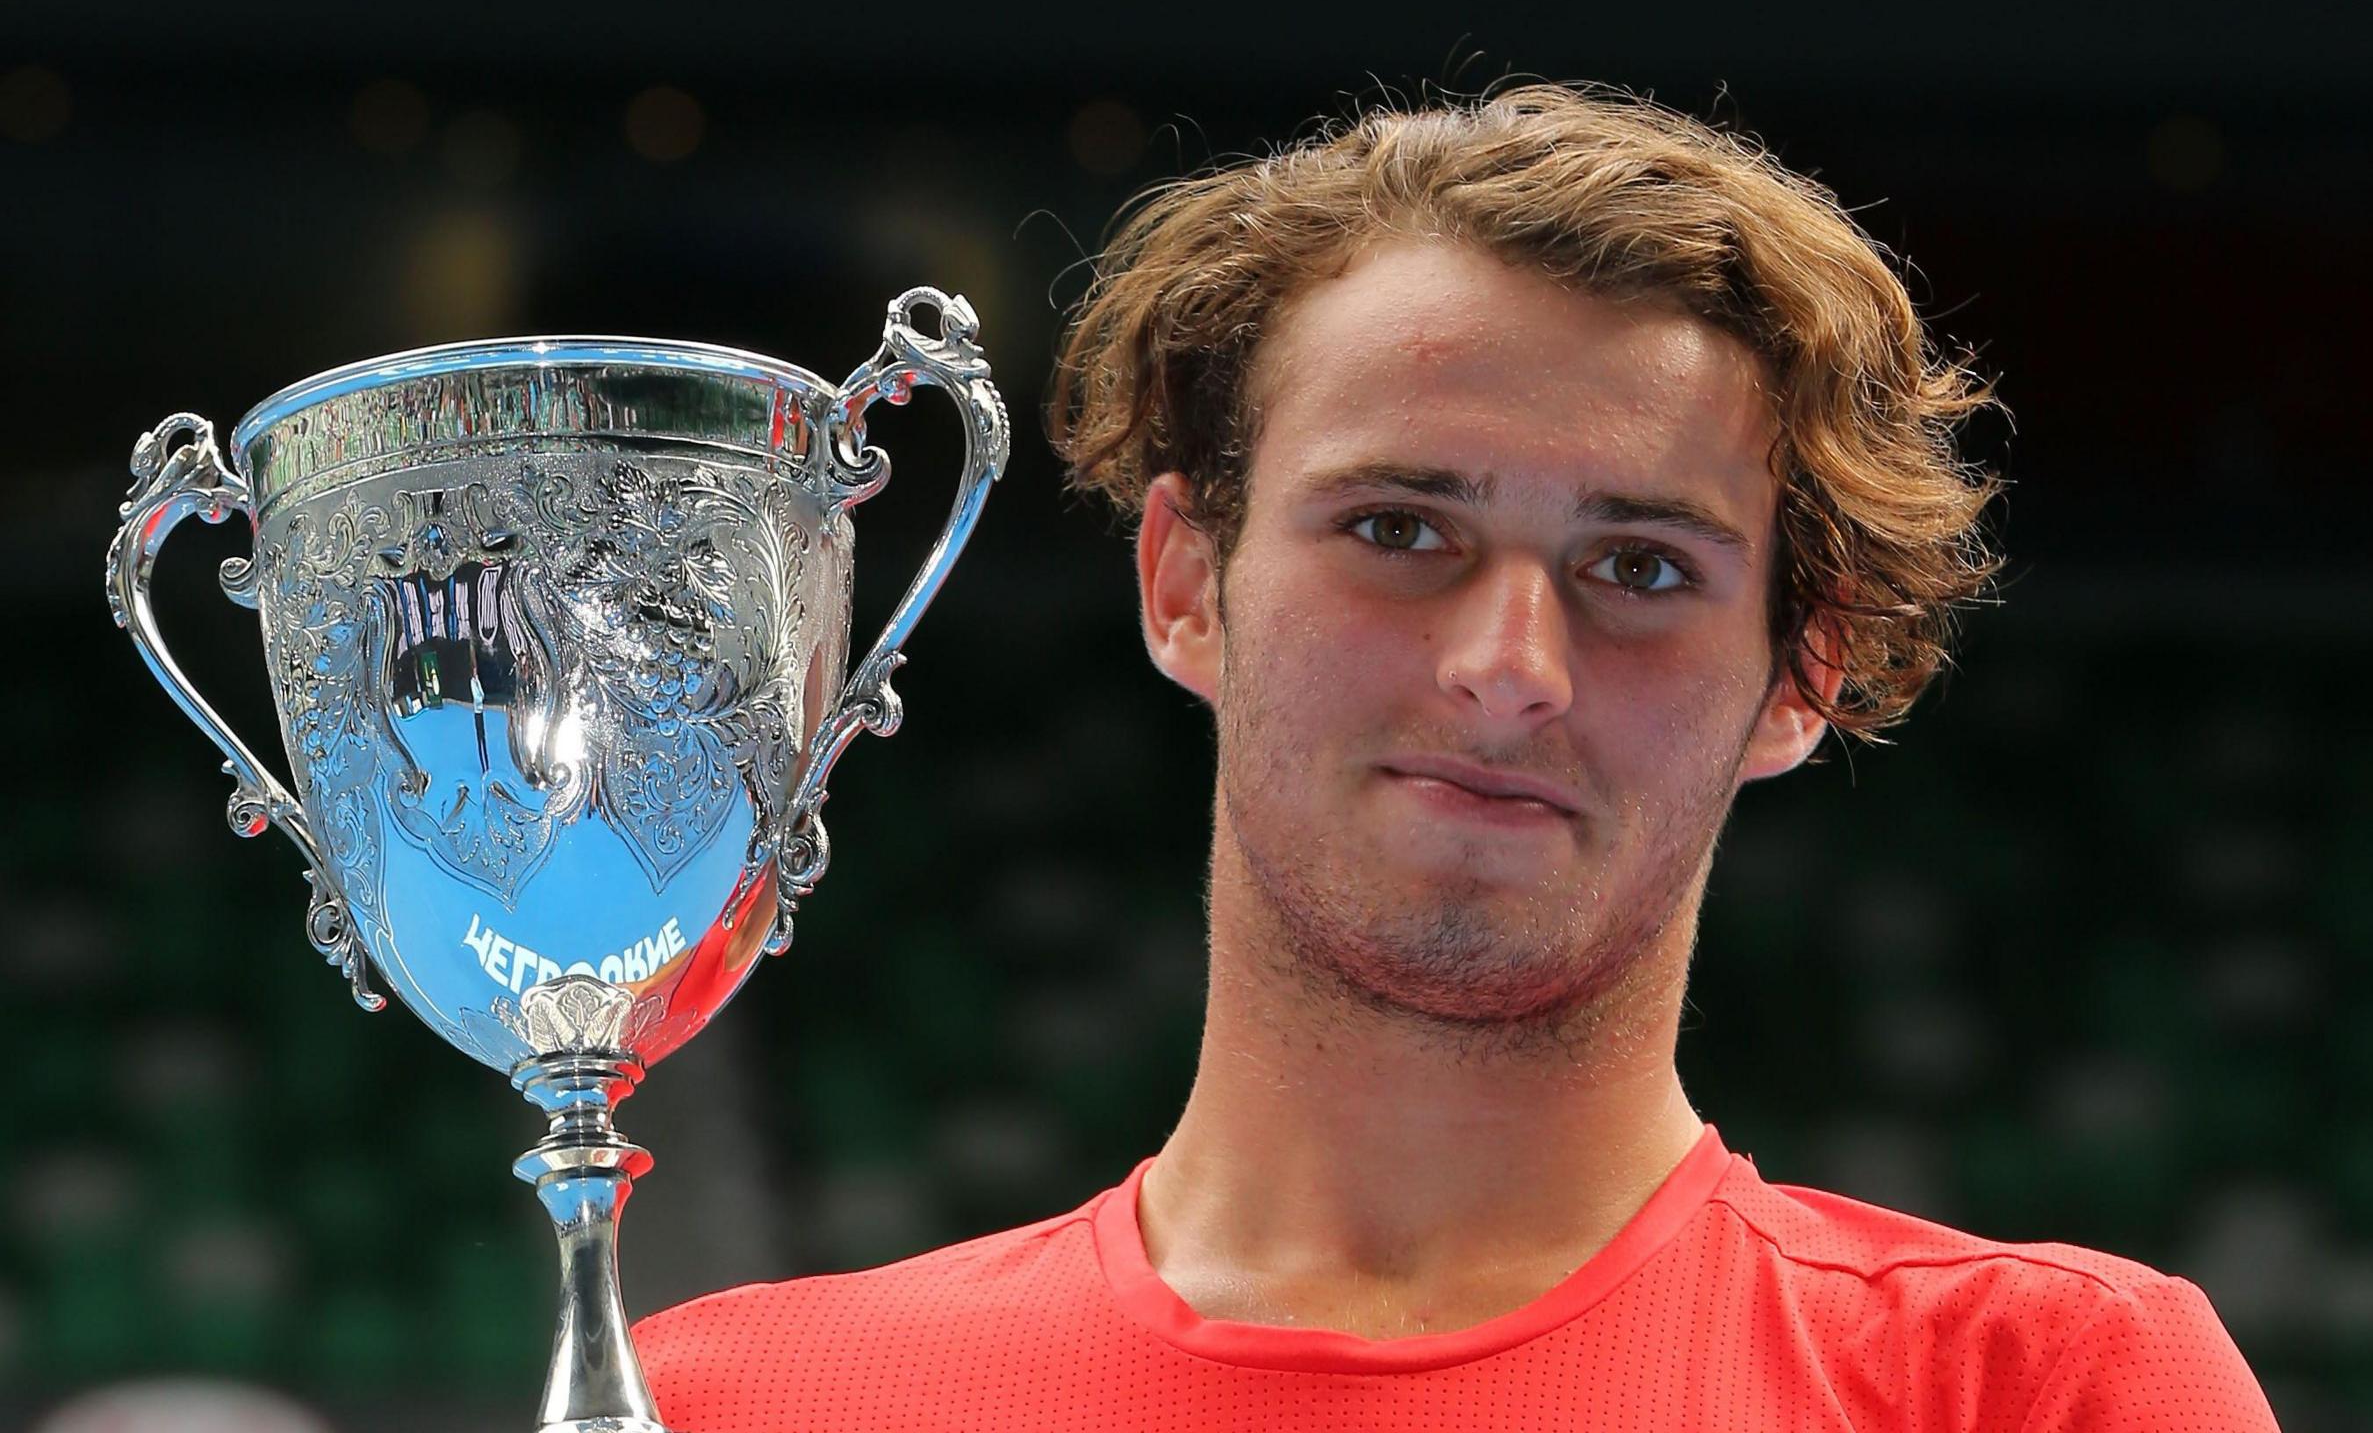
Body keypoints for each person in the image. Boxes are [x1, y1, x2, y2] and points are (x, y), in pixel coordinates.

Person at [634, 83, 2280, 1431]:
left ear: (1803, 671)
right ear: (1186, 584)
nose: (1509, 669)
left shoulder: (2040, 1395)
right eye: (1400, 528)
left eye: (1640, 567)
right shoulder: (737, 1405)